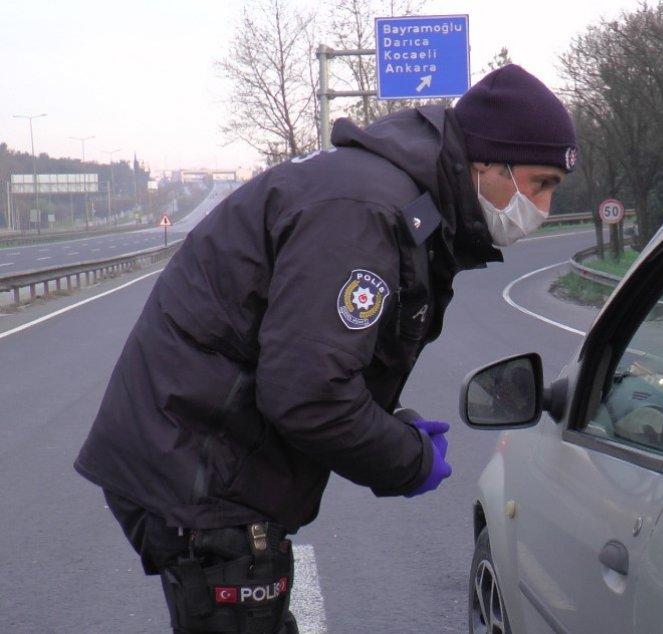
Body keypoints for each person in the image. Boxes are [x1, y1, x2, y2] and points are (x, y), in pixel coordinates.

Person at [74, 64, 577, 633]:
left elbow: (323, 359)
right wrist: (406, 459)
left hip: (200, 454)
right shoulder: (365, 211)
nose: (543, 208)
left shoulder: (387, 198)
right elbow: (309, 394)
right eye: (541, 184)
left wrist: (392, 427)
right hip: (201, 469)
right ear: (487, 161)